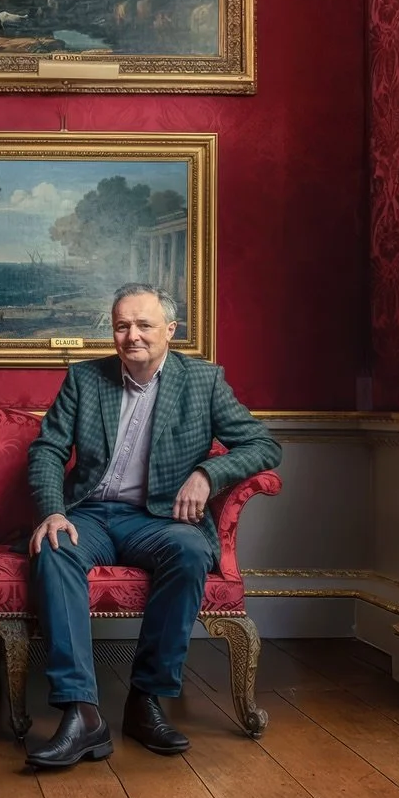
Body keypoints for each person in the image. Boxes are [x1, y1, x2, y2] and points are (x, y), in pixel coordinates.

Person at [25, 283, 280, 768]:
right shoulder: (85, 379)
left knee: (188, 552)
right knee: (54, 547)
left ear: (170, 329)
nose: (132, 335)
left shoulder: (203, 381)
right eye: (122, 325)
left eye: (144, 324)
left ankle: (146, 700)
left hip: (159, 519)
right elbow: (48, 450)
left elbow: (262, 446)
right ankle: (82, 714)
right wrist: (53, 511)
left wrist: (207, 474)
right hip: (92, 514)